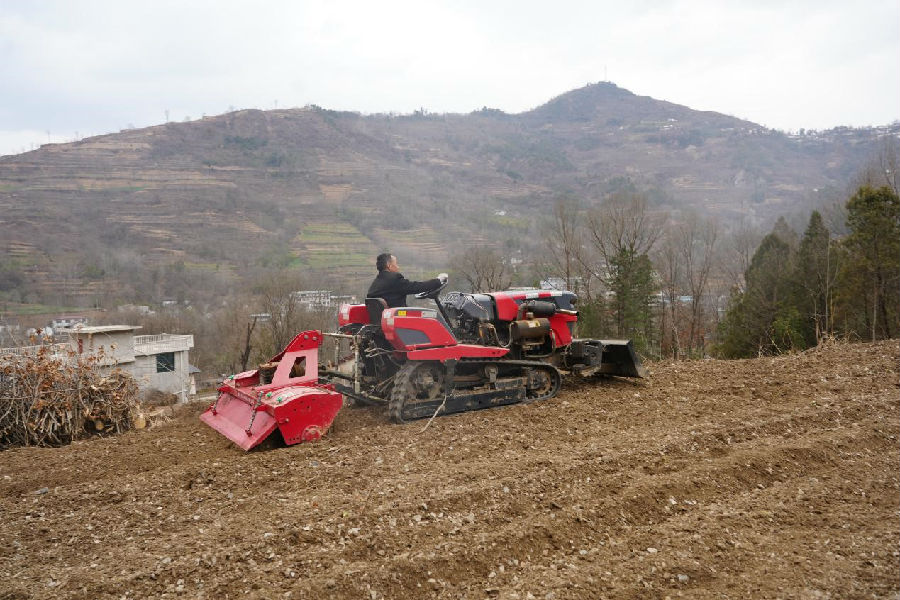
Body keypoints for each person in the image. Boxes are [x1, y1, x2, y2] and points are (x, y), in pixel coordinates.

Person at [367, 253, 448, 308]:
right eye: (396, 264)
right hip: (397, 318)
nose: (398, 267)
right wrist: (438, 281)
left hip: (386, 319)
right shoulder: (394, 279)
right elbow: (416, 287)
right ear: (389, 265)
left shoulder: (377, 281)